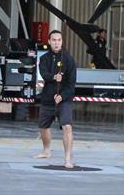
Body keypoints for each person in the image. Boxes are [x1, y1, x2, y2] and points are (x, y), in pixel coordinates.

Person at [33, 30, 77, 169]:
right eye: (54, 40)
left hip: (64, 100)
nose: (56, 42)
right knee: (43, 127)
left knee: (67, 126)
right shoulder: (44, 58)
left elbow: (71, 85)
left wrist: (62, 96)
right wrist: (54, 77)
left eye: (59, 40)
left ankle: (68, 159)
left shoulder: (69, 60)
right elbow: (44, 74)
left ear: (62, 42)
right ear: (49, 41)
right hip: (47, 97)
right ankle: (46, 151)